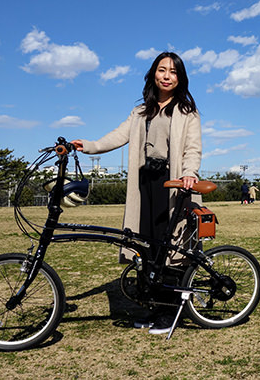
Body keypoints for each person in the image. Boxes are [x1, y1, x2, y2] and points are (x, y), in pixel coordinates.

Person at [72, 51, 201, 333]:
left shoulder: (186, 112)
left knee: (170, 247)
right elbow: (119, 135)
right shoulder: (141, 111)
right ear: (153, 74)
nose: (167, 76)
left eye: (173, 72)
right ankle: (153, 306)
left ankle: (169, 311)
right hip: (145, 184)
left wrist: (189, 173)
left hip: (173, 183)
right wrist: (90, 145)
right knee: (145, 245)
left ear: (180, 78)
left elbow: (193, 148)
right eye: (162, 70)